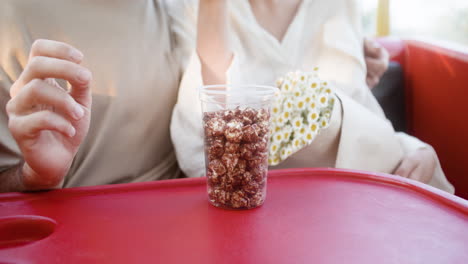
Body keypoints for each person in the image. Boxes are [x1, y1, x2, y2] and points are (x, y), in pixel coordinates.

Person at [168, 0, 454, 193]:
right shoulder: (194, 9)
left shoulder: (338, 7)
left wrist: (410, 148)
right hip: (253, 204)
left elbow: (358, 112)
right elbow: (203, 150)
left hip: (352, 196)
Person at [0, 0, 183, 192]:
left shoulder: (173, 8)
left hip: (184, 209)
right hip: (71, 216)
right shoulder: (10, 18)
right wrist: (37, 177)